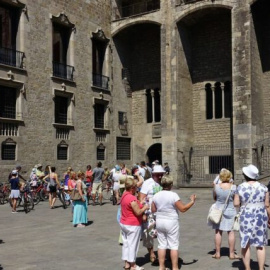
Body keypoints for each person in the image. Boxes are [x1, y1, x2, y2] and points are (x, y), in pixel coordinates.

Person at [152, 176, 196, 270]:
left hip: (160, 220)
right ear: (171, 185)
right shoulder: (173, 195)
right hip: (171, 221)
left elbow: (153, 209)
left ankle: (161, 267)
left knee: (161, 244)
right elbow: (182, 209)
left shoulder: (156, 195)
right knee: (173, 245)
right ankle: (175, 267)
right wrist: (192, 201)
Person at [234, 164, 270, 270]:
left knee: (245, 244)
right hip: (260, 216)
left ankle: (248, 268)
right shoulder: (263, 188)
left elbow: (236, 203)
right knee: (260, 244)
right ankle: (261, 268)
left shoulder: (240, 187)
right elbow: (267, 205)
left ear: (245, 175)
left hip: (246, 216)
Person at [209, 169, 240, 260]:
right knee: (231, 232)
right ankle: (231, 254)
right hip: (230, 210)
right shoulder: (234, 187)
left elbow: (215, 198)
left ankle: (217, 253)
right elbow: (236, 202)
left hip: (218, 210)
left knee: (218, 231)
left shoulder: (216, 186)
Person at [120, 177, 149, 270]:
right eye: (135, 187)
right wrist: (145, 207)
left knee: (126, 244)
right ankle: (133, 265)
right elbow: (138, 212)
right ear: (132, 188)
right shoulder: (132, 198)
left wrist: (140, 202)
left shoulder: (124, 195)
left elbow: (133, 206)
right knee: (133, 245)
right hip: (132, 224)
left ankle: (127, 263)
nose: (137, 188)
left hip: (124, 223)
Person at [139, 165, 166, 263]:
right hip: (149, 212)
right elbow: (141, 198)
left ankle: (162, 252)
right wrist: (143, 213)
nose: (159, 177)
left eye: (161, 175)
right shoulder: (147, 183)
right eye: (157, 175)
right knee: (148, 234)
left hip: (162, 213)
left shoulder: (164, 182)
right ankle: (151, 253)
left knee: (162, 233)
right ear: (153, 174)